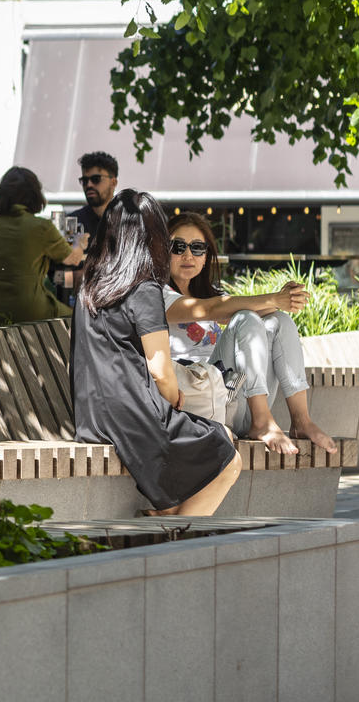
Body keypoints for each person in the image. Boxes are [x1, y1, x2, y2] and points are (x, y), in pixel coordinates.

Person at [72, 189, 241, 515]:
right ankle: (175, 546)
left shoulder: (91, 285)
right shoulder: (143, 287)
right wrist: (173, 394)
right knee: (228, 456)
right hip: (132, 416)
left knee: (204, 455)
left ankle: (164, 525)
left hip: (90, 417)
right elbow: (160, 369)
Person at [163, 212, 337, 453]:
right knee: (245, 318)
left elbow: (228, 309)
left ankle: (301, 420)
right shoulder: (157, 295)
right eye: (178, 246)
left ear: (206, 256)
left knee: (279, 322)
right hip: (197, 406)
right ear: (163, 251)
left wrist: (282, 300)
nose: (188, 255)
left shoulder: (209, 294)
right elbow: (214, 309)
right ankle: (262, 420)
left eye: (197, 248)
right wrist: (275, 298)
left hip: (230, 402)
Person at [0, 167, 85, 325]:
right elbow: (72, 259)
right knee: (76, 319)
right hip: (29, 309)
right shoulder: (41, 227)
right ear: (35, 195)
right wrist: (79, 243)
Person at [52, 152, 120, 303]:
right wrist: (72, 278)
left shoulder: (129, 222)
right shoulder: (68, 222)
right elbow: (56, 276)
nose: (89, 184)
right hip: (76, 311)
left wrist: (90, 275)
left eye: (95, 179)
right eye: (84, 180)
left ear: (113, 182)